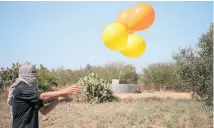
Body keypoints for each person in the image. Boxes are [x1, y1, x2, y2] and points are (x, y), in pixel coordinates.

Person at [7, 63, 81, 128]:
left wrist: (58, 99)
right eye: (32, 73)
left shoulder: (32, 91)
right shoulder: (21, 88)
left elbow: (44, 111)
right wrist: (64, 91)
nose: (34, 77)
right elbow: (43, 96)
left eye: (35, 73)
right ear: (25, 74)